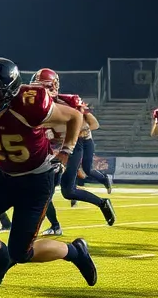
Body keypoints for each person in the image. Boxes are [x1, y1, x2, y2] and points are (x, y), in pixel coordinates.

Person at [0, 58, 99, 294]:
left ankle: (75, 251)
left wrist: (66, 151)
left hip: (35, 180)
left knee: (22, 253)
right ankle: (1, 257)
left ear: (10, 92)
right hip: (0, 174)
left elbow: (75, 117)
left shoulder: (30, 104)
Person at [31, 69, 115, 225]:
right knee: (43, 191)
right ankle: (54, 226)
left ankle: (102, 203)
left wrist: (77, 127)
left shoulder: (69, 101)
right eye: (38, 88)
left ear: (54, 86)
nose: (41, 92)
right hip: (50, 148)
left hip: (71, 147)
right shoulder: (31, 105)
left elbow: (93, 125)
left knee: (68, 191)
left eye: (45, 87)